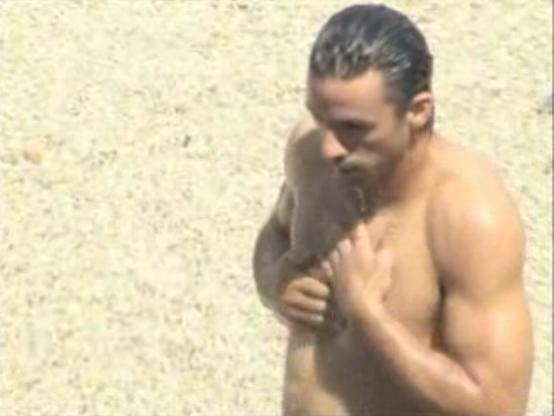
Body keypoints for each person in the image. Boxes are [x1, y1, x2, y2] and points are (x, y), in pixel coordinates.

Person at [252, 4, 533, 416]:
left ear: (417, 111)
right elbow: (275, 235)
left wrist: (370, 319)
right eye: (319, 117)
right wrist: (277, 283)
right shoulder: (310, 151)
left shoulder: (468, 216)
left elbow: (498, 405)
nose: (329, 146)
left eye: (353, 128)